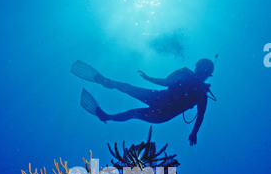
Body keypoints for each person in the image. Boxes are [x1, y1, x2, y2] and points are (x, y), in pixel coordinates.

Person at [71, 58, 215, 146]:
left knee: (134, 111)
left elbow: (200, 115)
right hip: (160, 100)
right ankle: (106, 82)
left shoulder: (202, 93)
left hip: (162, 112)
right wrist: (148, 78)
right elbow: (166, 82)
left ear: (207, 74)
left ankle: (106, 115)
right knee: (129, 89)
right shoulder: (189, 78)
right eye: (200, 68)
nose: (200, 72)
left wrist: (194, 132)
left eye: (203, 70)